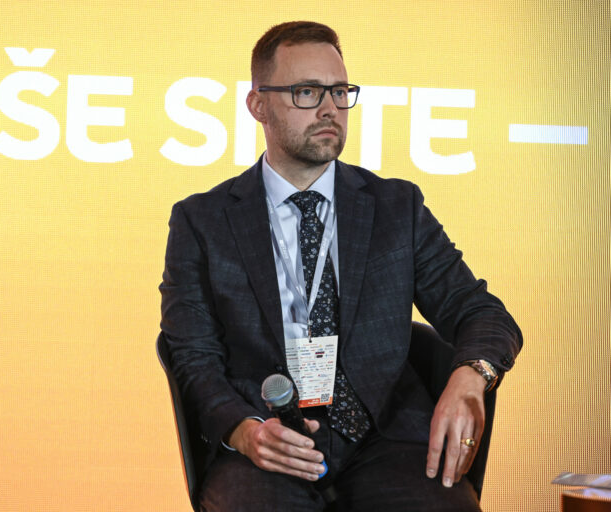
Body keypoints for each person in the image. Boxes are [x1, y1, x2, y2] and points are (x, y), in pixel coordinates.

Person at [159, 21, 521, 512]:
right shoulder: (202, 221)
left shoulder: (397, 207)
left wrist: (471, 374)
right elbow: (192, 356)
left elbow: (480, 312)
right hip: (268, 438)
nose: (330, 108)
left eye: (339, 91)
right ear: (258, 105)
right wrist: (243, 431)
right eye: (307, 92)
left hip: (387, 439)